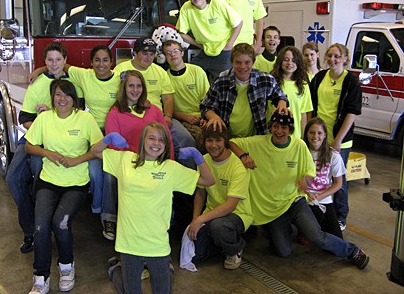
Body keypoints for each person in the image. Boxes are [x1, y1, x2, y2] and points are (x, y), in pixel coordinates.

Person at [229, 111, 369, 269]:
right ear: (270, 127)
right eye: (275, 126)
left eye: (284, 127)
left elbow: (310, 171)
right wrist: (243, 156)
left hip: (295, 201)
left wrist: (305, 180)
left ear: (290, 129)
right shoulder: (258, 142)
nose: (279, 131)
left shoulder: (299, 145)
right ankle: (277, 230)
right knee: (283, 252)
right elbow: (232, 142)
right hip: (274, 208)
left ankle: (353, 251)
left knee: (317, 236)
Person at [91, 122, 215, 294]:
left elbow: (209, 181)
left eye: (161, 140)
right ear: (143, 140)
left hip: (157, 244)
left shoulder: (170, 168)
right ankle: (115, 271)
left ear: (166, 145)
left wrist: (198, 157)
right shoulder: (125, 160)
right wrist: (108, 139)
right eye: (152, 138)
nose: (156, 143)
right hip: (129, 243)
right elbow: (95, 152)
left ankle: (165, 270)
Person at [28, 45, 118, 237]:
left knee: (103, 172)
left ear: (112, 62)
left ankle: (102, 212)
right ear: (91, 63)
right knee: (26, 169)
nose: (101, 64)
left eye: (105, 60)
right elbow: (58, 64)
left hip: (107, 132)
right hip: (79, 134)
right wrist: (39, 70)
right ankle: (37, 213)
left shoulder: (119, 78)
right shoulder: (83, 75)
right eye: (97, 60)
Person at [25, 80, 103, 294]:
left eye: (67, 95)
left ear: (74, 99)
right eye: (58, 94)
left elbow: (99, 149)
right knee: (40, 226)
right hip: (48, 180)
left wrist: (78, 159)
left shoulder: (85, 119)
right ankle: (40, 276)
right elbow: (29, 146)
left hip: (76, 182)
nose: (62, 99)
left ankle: (66, 267)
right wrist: (46, 153)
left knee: (60, 223)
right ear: (52, 98)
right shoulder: (44, 119)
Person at [5, 42, 82, 254]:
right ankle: (31, 229)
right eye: (49, 60)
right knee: (13, 178)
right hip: (35, 138)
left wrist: (53, 114)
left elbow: (81, 111)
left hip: (64, 140)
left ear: (65, 61)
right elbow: (25, 118)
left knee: (39, 174)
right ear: (44, 62)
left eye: (58, 60)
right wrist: (43, 128)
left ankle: (44, 227)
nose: (54, 64)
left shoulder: (74, 81)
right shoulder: (37, 83)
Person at [103, 70, 174, 239]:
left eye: (139, 86)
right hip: (129, 162)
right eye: (131, 86)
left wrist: (169, 162)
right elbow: (114, 147)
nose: (135, 90)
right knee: (109, 175)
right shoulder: (114, 114)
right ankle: (110, 218)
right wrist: (136, 162)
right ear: (124, 88)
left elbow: (167, 137)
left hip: (155, 160)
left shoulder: (154, 110)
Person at [114, 37, 196, 169]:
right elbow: (117, 96)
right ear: (134, 53)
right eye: (144, 53)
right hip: (132, 116)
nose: (148, 57)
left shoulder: (159, 71)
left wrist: (168, 116)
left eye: (152, 54)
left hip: (159, 117)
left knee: (186, 140)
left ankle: (186, 182)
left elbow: (168, 98)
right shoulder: (121, 70)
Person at [310, 43, 362, 231]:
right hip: (317, 136)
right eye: (330, 56)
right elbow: (310, 106)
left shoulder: (351, 81)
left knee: (337, 177)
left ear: (345, 58)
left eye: (337, 56)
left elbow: (352, 112)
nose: (332, 59)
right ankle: (319, 212)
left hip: (339, 138)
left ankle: (340, 216)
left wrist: (338, 140)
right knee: (318, 174)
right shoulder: (319, 78)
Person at [185, 126, 252, 270]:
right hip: (211, 214)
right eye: (209, 140)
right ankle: (220, 243)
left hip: (237, 215)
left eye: (218, 140)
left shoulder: (238, 167)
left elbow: (231, 205)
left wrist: (201, 220)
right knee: (194, 256)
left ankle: (235, 249)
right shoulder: (203, 161)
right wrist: (195, 219)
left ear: (225, 141)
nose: (213, 145)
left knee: (219, 226)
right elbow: (201, 192)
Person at [200, 43, 288, 138]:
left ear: (253, 62)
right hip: (227, 137)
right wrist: (214, 117)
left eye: (247, 62)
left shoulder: (265, 79)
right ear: (231, 62)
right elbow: (205, 107)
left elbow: (281, 96)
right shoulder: (221, 81)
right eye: (238, 62)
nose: (242, 67)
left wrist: (281, 105)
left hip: (256, 138)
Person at [176, 0, 242, 80]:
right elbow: (181, 33)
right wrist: (199, 45)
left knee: (224, 82)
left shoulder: (219, 4)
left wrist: (229, 45)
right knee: (189, 75)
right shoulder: (186, 7)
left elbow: (238, 23)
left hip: (224, 52)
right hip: (205, 51)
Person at [162, 39, 209, 152]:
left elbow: (208, 100)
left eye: (175, 51)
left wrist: (206, 118)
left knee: (218, 133)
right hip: (180, 119)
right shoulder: (164, 77)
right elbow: (166, 108)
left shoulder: (197, 71)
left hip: (202, 116)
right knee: (200, 137)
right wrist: (185, 117)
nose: (172, 55)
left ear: (182, 53)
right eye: (168, 53)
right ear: (164, 57)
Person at [303, 117, 345, 239]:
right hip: (304, 197)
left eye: (319, 133)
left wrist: (319, 197)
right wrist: (306, 193)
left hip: (324, 199)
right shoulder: (301, 151)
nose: (315, 136)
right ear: (306, 134)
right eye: (311, 132)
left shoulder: (333, 155)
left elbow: (338, 184)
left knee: (337, 237)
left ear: (325, 135)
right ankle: (304, 230)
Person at [270, 46, 313, 138]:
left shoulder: (303, 85)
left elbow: (303, 114)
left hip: (295, 136)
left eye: (293, 60)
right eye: (286, 59)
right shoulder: (271, 82)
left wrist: (303, 137)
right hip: (272, 135)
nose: (290, 63)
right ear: (280, 61)